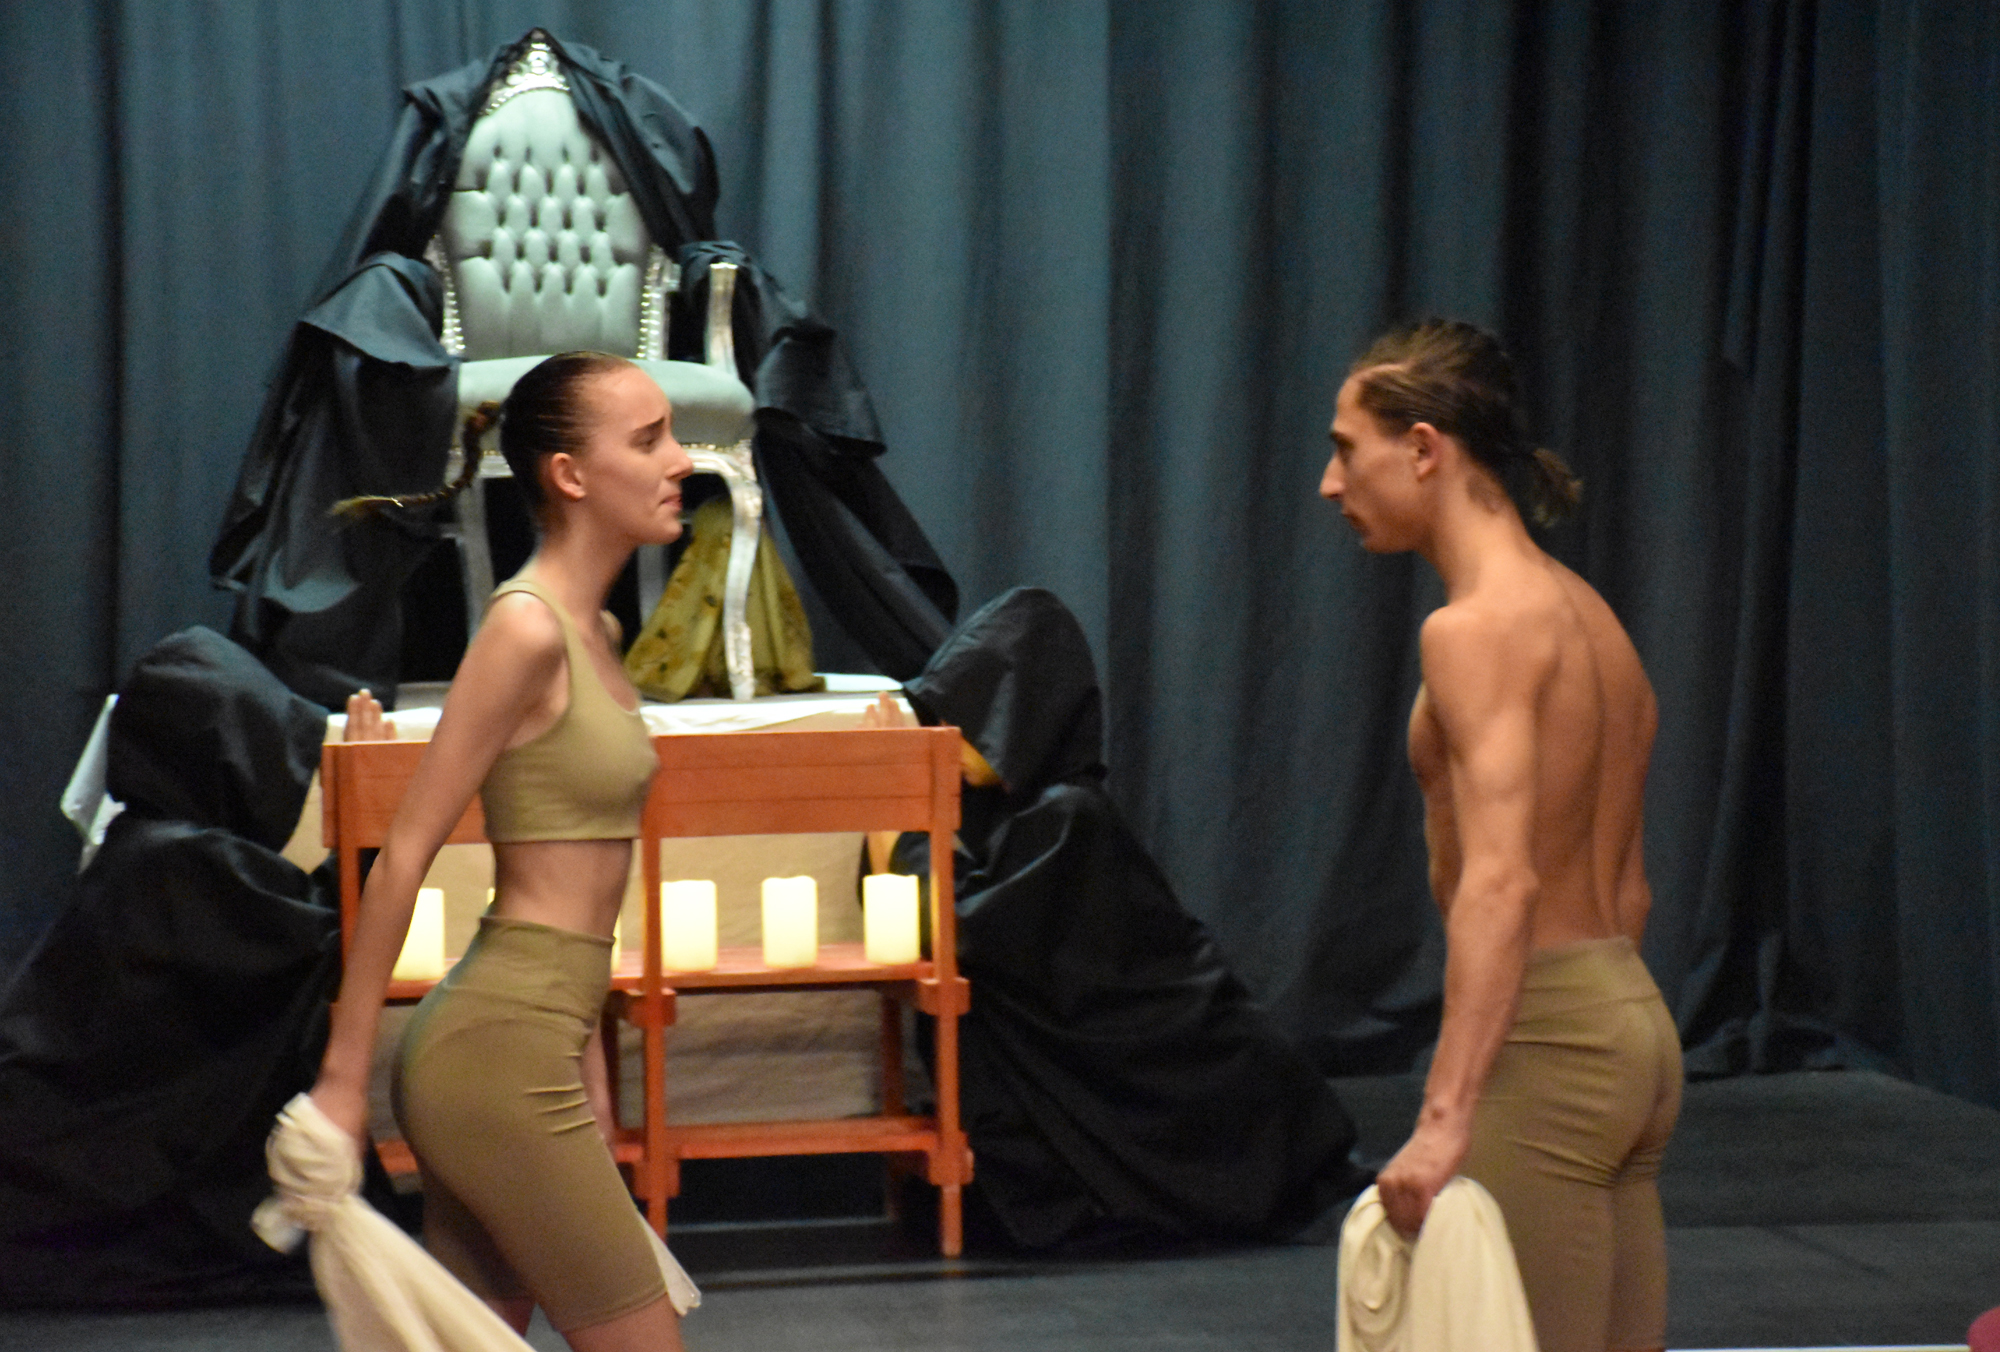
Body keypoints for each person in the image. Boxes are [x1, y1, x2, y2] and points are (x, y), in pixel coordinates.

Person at [308, 351, 696, 1351]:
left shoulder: (596, 628)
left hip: (531, 1043)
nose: (683, 460)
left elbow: (585, 898)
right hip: (496, 1056)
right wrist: (343, 1082)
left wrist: (588, 1066)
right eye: (649, 439)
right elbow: (404, 851)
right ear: (570, 474)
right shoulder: (525, 629)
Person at [1319, 320, 1681, 1352]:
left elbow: (1500, 882)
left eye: (1346, 450)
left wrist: (1444, 1117)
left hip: (1548, 1044)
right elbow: (1633, 890)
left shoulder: (1472, 628)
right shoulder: (1587, 614)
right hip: (1631, 1028)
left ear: (1423, 448)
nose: (1330, 484)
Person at [862, 587, 1369, 1248]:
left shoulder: (1067, 817)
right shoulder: (1006, 813)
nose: (946, 738)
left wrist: (895, 815)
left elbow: (957, 926)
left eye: (965, 717)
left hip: (1183, 1064)